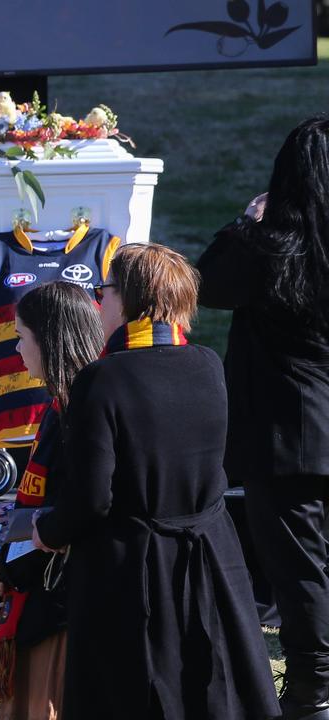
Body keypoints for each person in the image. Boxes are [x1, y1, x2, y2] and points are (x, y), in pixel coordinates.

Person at [32, 243, 280, 720]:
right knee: (207, 688)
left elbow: (91, 499)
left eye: (103, 291)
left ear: (127, 299)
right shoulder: (208, 364)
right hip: (209, 557)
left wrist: (47, 530)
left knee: (133, 694)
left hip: (131, 567)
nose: (98, 302)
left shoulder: (101, 379)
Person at [198, 115, 329, 720]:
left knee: (302, 569)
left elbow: (207, 284)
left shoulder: (272, 247)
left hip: (290, 433)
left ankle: (312, 689)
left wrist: (245, 221)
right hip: (300, 427)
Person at [0, 281, 104, 720]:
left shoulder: (81, 413)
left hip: (60, 607)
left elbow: (73, 517)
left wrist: (6, 569)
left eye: (21, 336)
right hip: (47, 591)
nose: (16, 349)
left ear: (48, 339)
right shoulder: (64, 404)